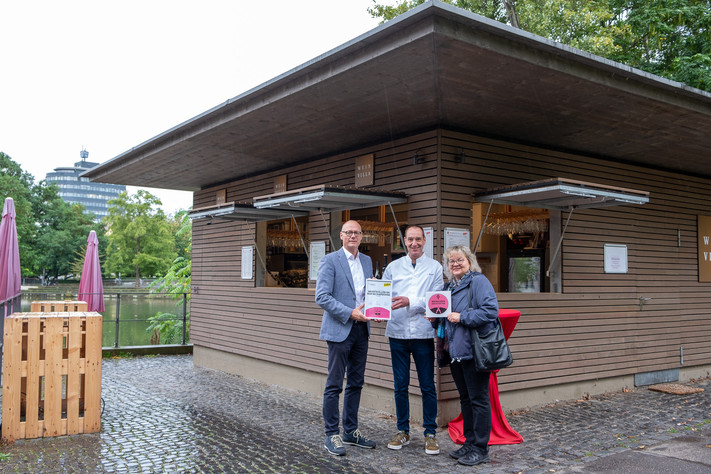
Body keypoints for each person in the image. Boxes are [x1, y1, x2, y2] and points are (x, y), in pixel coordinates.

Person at [430, 245, 498, 466]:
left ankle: (481, 448)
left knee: (479, 400)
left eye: (460, 260)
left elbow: (490, 311)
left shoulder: (478, 282)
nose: (455, 264)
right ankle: (469, 443)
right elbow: (447, 318)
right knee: (467, 400)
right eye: (451, 261)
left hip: (474, 351)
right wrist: (435, 319)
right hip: (456, 352)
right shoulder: (449, 286)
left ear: (469, 261)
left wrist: (462, 317)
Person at [315, 220, 377, 455]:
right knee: (334, 384)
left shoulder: (366, 261)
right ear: (341, 235)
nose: (353, 236)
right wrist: (349, 313)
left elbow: (367, 295)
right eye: (349, 232)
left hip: (362, 330)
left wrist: (376, 311)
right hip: (340, 328)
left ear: (362, 236)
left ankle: (350, 431)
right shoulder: (330, 260)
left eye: (357, 233)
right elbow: (322, 297)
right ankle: (332, 434)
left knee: (356, 383)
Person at [382, 225, 444, 455]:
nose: (414, 243)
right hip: (397, 332)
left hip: (423, 334)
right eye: (410, 239)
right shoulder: (393, 267)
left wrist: (412, 301)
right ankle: (403, 430)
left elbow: (438, 300)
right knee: (400, 385)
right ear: (404, 241)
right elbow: (384, 295)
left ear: (424, 240)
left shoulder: (435, 267)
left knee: (427, 385)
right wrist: (378, 309)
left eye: (418, 239)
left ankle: (430, 433)